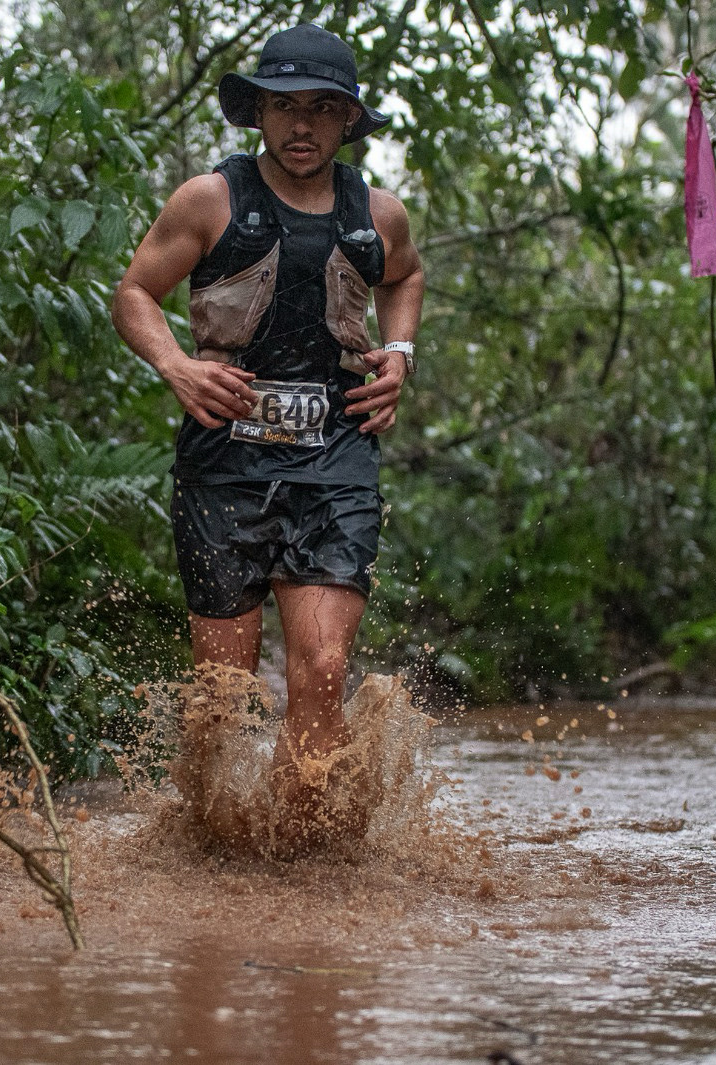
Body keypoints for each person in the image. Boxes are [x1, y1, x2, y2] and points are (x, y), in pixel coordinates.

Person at [111, 24, 424, 845]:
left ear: (348, 120)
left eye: (321, 108)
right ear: (258, 112)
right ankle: (206, 847)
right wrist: (177, 367)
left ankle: (301, 859)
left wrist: (399, 353)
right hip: (224, 460)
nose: (301, 125)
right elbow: (135, 293)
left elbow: (406, 275)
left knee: (322, 666)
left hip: (337, 455)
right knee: (225, 690)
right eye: (285, 106)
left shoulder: (377, 215)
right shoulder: (210, 200)